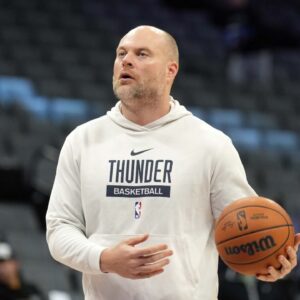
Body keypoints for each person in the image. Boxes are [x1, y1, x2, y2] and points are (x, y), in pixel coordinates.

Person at [46, 25, 300, 300]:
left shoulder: (210, 144)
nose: (126, 60)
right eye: (121, 53)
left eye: (142, 54)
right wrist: (104, 258)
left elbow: (246, 231)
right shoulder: (82, 141)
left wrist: (269, 262)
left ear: (171, 70)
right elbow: (60, 229)